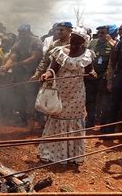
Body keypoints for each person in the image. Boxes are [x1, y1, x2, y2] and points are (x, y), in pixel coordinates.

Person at [38, 27, 95, 163]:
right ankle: (53, 154)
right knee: (57, 116)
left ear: (83, 43)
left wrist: (93, 74)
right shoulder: (60, 52)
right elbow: (53, 69)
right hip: (60, 92)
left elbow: (90, 70)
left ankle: (73, 155)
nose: (74, 45)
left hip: (77, 94)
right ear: (70, 39)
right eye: (73, 41)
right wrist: (47, 74)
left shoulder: (87, 54)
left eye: (78, 43)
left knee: (75, 119)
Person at [0, 24, 43, 129]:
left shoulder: (36, 42)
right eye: (20, 33)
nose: (21, 35)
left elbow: (35, 57)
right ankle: (23, 120)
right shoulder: (18, 43)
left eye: (23, 33)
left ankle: (33, 122)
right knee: (19, 97)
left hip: (32, 74)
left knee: (31, 98)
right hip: (19, 75)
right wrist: (5, 66)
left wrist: (20, 63)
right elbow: (12, 57)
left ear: (28, 32)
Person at [85, 25, 113, 127]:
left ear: (108, 34)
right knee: (90, 99)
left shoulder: (112, 45)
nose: (100, 35)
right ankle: (90, 120)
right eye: (99, 33)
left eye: (103, 33)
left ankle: (100, 119)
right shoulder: (92, 43)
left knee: (102, 100)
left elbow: (113, 62)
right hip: (90, 76)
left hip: (103, 77)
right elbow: (86, 55)